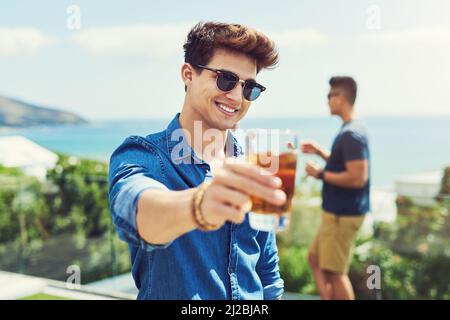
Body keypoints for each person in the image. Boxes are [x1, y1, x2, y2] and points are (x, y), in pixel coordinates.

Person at [108, 22, 286, 300]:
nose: (237, 96)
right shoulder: (143, 155)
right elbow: (137, 214)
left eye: (249, 87)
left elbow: (267, 271)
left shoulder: (255, 164)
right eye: (225, 79)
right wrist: (200, 206)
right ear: (188, 75)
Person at [301, 76, 370, 300]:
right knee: (315, 258)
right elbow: (346, 165)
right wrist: (320, 152)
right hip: (336, 213)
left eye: (330, 96)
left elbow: (357, 178)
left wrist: (319, 173)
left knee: (336, 272)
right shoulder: (351, 129)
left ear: (341, 98)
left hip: (343, 214)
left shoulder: (351, 134)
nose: (328, 101)